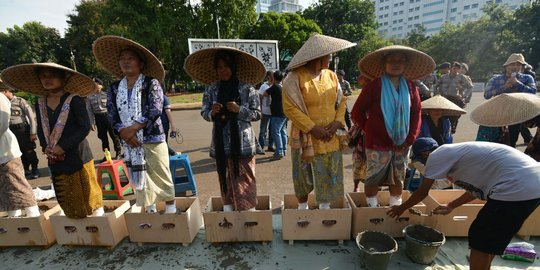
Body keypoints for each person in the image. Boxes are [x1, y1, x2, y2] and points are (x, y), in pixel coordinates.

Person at [388, 138, 540, 270]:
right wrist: (451, 205)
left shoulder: (437, 155)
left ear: (424, 154)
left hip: (517, 186)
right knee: (490, 241)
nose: (425, 168)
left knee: (480, 237)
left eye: (422, 163)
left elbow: (422, 192)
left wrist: (400, 209)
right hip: (532, 185)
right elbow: (476, 190)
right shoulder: (460, 158)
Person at [1, 63, 103, 218]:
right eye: (43, 76)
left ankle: (98, 226)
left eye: (52, 76)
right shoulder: (40, 102)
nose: (47, 80)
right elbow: (42, 129)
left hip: (79, 154)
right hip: (55, 158)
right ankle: (76, 233)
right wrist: (45, 147)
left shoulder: (74, 100)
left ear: (63, 78)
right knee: (67, 196)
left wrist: (63, 146)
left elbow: (84, 127)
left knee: (89, 195)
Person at [93, 35, 176, 213]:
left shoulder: (150, 83)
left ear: (140, 63)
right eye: (122, 59)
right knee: (142, 179)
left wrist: (132, 129)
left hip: (152, 137)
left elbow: (155, 109)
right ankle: (151, 210)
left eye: (130, 58)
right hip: (129, 140)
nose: (126, 62)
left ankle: (172, 212)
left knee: (161, 175)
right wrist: (124, 132)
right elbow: (112, 113)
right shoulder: (115, 88)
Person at [352, 45, 433, 207]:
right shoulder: (374, 86)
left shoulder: (411, 87)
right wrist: (371, 129)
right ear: (384, 64)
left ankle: (395, 206)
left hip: (403, 142)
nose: (396, 64)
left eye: (400, 61)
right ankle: (371, 207)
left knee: (398, 175)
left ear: (406, 65)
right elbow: (356, 112)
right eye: (391, 60)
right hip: (377, 142)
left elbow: (416, 113)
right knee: (374, 176)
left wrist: (410, 138)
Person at [185, 46, 264, 212]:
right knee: (224, 177)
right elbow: (204, 112)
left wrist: (239, 109)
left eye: (226, 66)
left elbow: (257, 114)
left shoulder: (247, 88)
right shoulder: (211, 89)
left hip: (243, 143)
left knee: (246, 177)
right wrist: (212, 112)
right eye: (219, 67)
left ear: (233, 67)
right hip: (221, 142)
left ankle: (249, 215)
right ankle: (228, 213)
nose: (223, 70)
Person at [283, 34, 354, 210]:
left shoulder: (331, 76)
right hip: (305, 136)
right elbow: (290, 108)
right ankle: (303, 210)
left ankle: (324, 210)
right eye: (328, 56)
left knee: (328, 173)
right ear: (317, 57)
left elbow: (342, 100)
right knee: (302, 175)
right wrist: (313, 128)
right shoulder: (294, 77)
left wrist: (337, 123)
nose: (330, 59)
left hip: (330, 137)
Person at [477, 53, 536, 147]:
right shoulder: (496, 79)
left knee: (512, 141)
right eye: (512, 64)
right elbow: (487, 95)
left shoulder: (527, 78)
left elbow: (533, 92)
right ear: (506, 66)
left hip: (518, 112)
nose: (515, 67)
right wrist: (504, 87)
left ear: (522, 67)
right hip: (498, 113)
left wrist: (518, 84)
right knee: (495, 141)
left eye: (518, 64)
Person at [0, 79, 40, 218]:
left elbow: (2, 125)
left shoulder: (1, 99)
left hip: (6, 148)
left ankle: (34, 217)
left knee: (17, 183)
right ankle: (15, 217)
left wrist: (33, 131)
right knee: (6, 188)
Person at [1, 86, 40, 179]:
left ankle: (35, 168)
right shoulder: (3, 103)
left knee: (28, 150)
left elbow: (31, 117)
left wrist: (33, 132)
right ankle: (26, 169)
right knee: (18, 152)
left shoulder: (19, 101)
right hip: (11, 130)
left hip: (22, 130)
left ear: (7, 91)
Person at [86, 77, 122, 160]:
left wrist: (116, 119)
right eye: (95, 84)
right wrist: (92, 123)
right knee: (103, 137)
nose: (96, 85)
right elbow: (89, 111)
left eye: (98, 84)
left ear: (101, 86)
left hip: (108, 116)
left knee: (114, 135)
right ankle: (107, 155)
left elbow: (113, 107)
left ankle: (118, 152)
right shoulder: (89, 97)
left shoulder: (106, 95)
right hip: (98, 118)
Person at [434, 62, 474, 134]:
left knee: (454, 117)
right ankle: (444, 130)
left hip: (456, 100)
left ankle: (451, 129)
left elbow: (470, 87)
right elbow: (435, 86)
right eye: (454, 68)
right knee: (444, 116)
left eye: (457, 69)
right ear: (451, 68)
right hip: (445, 99)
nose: (455, 70)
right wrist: (437, 95)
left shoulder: (462, 77)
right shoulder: (443, 77)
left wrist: (464, 96)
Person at [264, 70, 287, 160]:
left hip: (277, 113)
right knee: (282, 132)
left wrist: (270, 84)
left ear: (273, 78)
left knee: (276, 132)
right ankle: (283, 150)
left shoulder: (274, 87)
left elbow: (265, 94)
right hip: (284, 113)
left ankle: (279, 152)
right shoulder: (282, 86)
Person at [258, 70, 274, 153]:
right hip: (265, 112)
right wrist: (260, 111)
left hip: (273, 113)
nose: (273, 77)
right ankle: (260, 147)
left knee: (272, 130)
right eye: (272, 76)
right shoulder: (264, 86)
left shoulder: (276, 85)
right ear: (268, 77)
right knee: (263, 130)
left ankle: (270, 146)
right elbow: (260, 99)